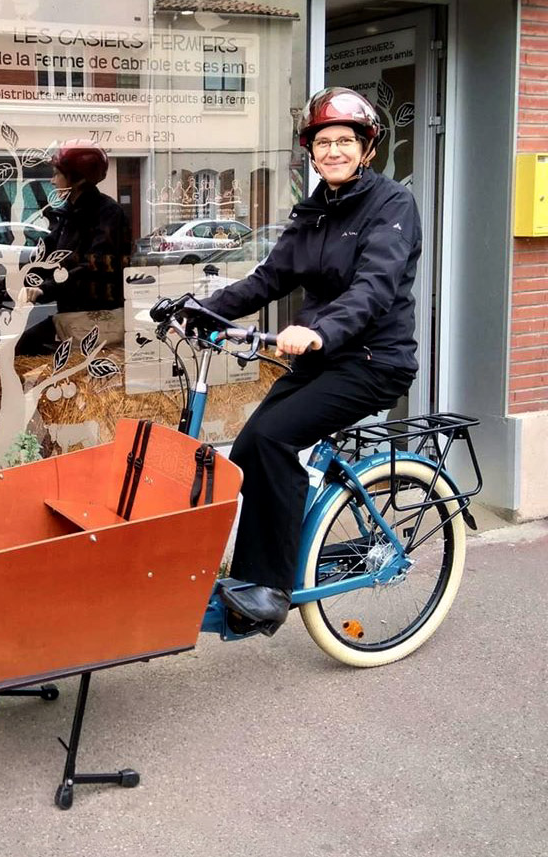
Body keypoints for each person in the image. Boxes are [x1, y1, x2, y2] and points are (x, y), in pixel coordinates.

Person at [197, 87, 421, 634]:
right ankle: (254, 573)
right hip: (327, 355)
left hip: (374, 359)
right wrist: (202, 309)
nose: (334, 151)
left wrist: (317, 331)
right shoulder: (314, 209)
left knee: (274, 440)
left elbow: (374, 288)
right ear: (312, 152)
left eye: (346, 140)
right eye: (324, 143)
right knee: (251, 444)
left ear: (367, 149)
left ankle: (270, 587)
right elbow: (268, 279)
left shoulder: (392, 204)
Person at [17, 142, 130, 354]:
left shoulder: (108, 213)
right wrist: (16, 279)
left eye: (57, 174)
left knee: (23, 349)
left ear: (78, 179)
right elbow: (46, 255)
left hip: (93, 318)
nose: (52, 181)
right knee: (21, 349)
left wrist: (44, 289)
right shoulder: (68, 214)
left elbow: (92, 266)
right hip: (70, 315)